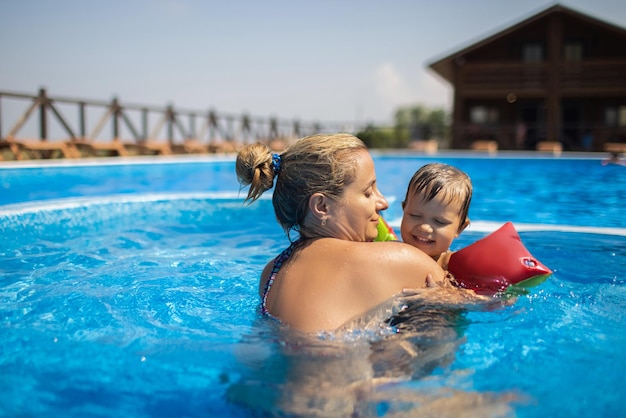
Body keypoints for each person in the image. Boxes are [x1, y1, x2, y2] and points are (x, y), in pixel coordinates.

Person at [236, 133, 461, 334]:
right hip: (349, 379)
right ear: (322, 206)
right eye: (368, 192)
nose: (382, 202)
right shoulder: (401, 260)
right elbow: (466, 315)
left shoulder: (270, 274)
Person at [400, 163, 472, 268]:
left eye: (439, 222)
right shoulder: (389, 251)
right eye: (415, 215)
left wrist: (443, 285)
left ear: (460, 228)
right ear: (404, 209)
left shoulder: (452, 265)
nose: (424, 227)